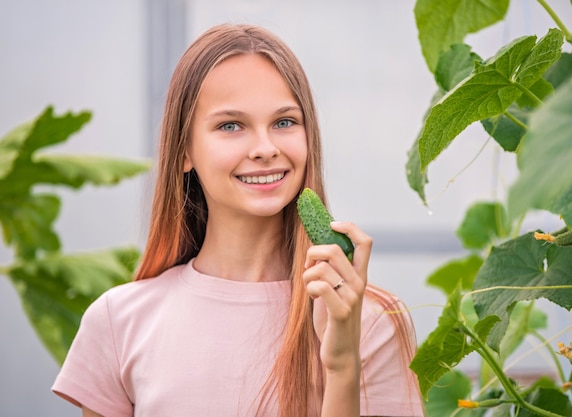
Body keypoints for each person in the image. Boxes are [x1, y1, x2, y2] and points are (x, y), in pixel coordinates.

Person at [52, 23, 424, 417]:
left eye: (284, 122)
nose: (265, 149)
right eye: (231, 125)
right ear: (183, 152)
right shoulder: (117, 321)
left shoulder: (368, 320)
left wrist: (342, 366)